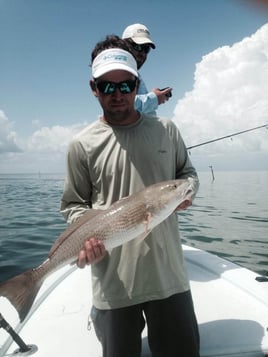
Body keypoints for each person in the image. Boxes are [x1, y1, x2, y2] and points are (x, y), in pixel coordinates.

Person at [60, 39, 200, 356]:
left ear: (137, 85)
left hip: (170, 278)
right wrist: (83, 240)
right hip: (113, 284)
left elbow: (188, 174)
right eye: (107, 87)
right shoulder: (81, 145)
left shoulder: (168, 130)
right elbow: (73, 205)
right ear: (93, 88)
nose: (118, 94)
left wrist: (188, 192)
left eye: (126, 85)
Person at [122, 23, 172, 115]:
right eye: (137, 47)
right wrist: (154, 98)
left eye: (146, 49)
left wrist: (155, 97)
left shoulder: (134, 73)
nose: (142, 53)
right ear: (124, 45)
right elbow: (122, 104)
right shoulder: (119, 71)